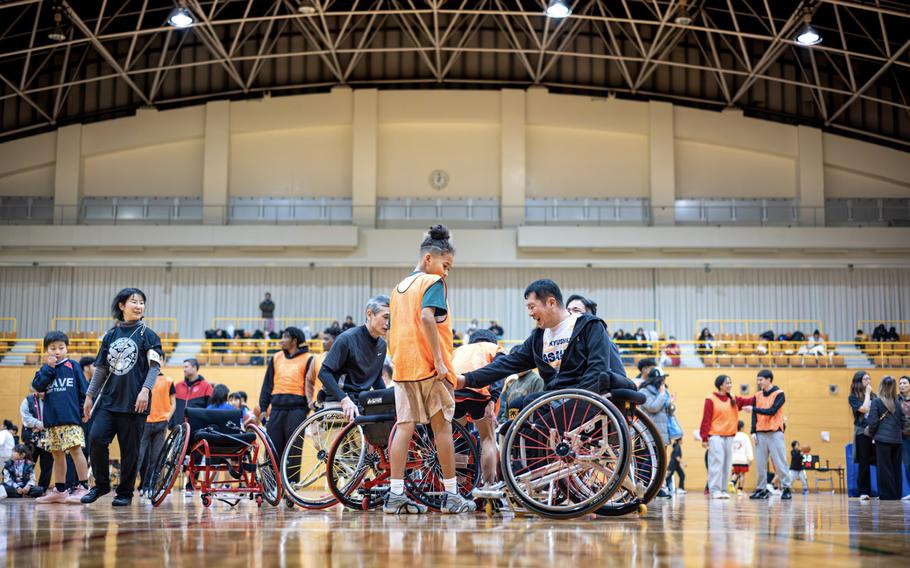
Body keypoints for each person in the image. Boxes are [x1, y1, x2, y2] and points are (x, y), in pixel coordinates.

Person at [387, 225, 475, 515]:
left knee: (404, 428)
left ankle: (395, 495)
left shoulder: (398, 288)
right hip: (429, 368)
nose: (446, 272)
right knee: (442, 429)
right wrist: (439, 360)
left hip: (403, 367)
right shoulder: (432, 283)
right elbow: (427, 318)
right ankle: (451, 495)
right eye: (445, 265)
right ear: (429, 259)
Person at [457, 278, 633, 409]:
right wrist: (466, 380)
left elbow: (598, 368)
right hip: (554, 398)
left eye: (532, 306)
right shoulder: (539, 338)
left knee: (538, 407)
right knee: (516, 406)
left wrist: (577, 399)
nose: (530, 313)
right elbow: (506, 364)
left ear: (551, 302)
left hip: (584, 396)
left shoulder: (589, 325)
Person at [82, 287, 164, 506]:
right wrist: (90, 396)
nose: (139, 306)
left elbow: (155, 367)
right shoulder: (110, 335)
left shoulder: (149, 334)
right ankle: (100, 485)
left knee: (130, 451)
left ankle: (125, 492)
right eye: (134, 302)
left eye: (142, 302)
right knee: (96, 439)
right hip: (108, 401)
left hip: (135, 403)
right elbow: (100, 369)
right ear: (121, 306)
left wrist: (145, 390)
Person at [31, 331, 91, 504]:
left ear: (67, 348)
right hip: (52, 421)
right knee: (57, 455)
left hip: (71, 418)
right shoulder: (44, 369)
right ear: (46, 350)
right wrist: (49, 368)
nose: (57, 351)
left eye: (61, 347)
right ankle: (60, 490)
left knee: (75, 450)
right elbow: (37, 386)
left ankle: (82, 487)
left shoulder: (73, 366)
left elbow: (83, 390)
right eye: (52, 348)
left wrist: (84, 411)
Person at [312, 296, 390, 419]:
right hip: (339, 401)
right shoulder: (347, 338)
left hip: (362, 402)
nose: (388, 323)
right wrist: (344, 399)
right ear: (369, 314)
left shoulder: (382, 345)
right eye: (385, 317)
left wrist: (388, 401)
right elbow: (324, 373)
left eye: (391, 318)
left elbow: (376, 380)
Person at [256, 326, 314, 477]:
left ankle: (291, 488)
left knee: (294, 450)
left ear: (294, 340)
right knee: (272, 449)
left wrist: (307, 409)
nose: (281, 340)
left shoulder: (308, 358)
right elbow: (267, 385)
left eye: (285, 337)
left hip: (297, 410)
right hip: (276, 409)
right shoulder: (276, 357)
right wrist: (263, 408)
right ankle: (271, 487)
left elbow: (311, 384)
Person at [451, 329, 505, 485]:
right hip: (478, 392)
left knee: (460, 437)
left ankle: (460, 485)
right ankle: (488, 485)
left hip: (454, 392)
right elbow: (498, 374)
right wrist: (493, 399)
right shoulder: (495, 349)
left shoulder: (459, 350)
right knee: (487, 437)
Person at [699, 374, 753, 499]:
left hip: (729, 436)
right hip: (715, 436)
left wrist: (760, 396)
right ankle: (715, 490)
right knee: (716, 463)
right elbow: (706, 419)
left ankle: (723, 490)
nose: (730, 385)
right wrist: (704, 438)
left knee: (727, 464)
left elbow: (746, 401)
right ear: (720, 385)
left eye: (730, 382)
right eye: (727, 383)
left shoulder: (732, 398)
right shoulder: (710, 399)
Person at [748, 369, 792, 500]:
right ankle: (761, 489)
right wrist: (753, 431)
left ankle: (787, 488)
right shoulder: (757, 395)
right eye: (758, 379)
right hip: (761, 433)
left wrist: (754, 409)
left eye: (761, 379)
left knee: (780, 462)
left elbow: (772, 411)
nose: (759, 382)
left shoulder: (780, 394)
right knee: (760, 463)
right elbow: (754, 415)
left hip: (775, 433)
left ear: (769, 380)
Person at [865, 376, 905, 500]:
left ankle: (887, 495)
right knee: (896, 468)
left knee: (884, 468)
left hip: (882, 440)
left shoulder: (877, 402)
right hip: (897, 440)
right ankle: (897, 494)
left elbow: (872, 422)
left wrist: (872, 434)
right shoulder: (898, 402)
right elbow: (903, 421)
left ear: (881, 386)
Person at [137, 368, 175, 500]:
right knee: (139, 457)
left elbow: (173, 403)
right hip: (144, 422)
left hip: (161, 423)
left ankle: (149, 487)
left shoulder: (168, 381)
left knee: (155, 458)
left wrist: (167, 419)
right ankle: (132, 488)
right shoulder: (143, 378)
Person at [641, 368, 674, 497]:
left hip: (663, 433)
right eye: (663, 379)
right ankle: (642, 486)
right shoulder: (644, 392)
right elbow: (653, 407)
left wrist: (671, 403)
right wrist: (662, 395)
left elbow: (667, 412)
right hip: (650, 433)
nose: (664, 381)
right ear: (657, 379)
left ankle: (656, 489)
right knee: (650, 461)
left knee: (660, 463)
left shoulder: (663, 393)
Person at [848, 371, 875, 500]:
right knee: (864, 462)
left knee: (874, 461)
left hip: (875, 432)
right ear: (859, 381)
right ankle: (863, 491)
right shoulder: (853, 397)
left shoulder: (874, 396)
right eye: (865, 379)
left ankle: (872, 491)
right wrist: (868, 394)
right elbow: (864, 409)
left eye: (869, 379)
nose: (868, 381)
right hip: (862, 432)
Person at [19, 391, 52, 491]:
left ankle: (42, 489)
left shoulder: (53, 399)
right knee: (28, 464)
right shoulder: (28, 400)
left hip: (49, 438)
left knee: (47, 465)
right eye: (40, 389)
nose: (42, 392)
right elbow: (26, 419)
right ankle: (24, 488)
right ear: (35, 389)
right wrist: (41, 424)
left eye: (45, 390)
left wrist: (42, 426)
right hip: (31, 439)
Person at [170, 359, 213, 429]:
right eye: (183, 367)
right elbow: (171, 405)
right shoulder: (177, 386)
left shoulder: (206, 386)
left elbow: (210, 408)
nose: (184, 369)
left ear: (194, 368)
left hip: (198, 429)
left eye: (186, 367)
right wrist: (171, 424)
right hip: (179, 428)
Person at [308, 328, 341, 410]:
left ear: (336, 340)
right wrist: (310, 401)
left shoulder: (345, 359)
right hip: (319, 406)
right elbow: (309, 380)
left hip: (339, 405)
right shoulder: (317, 358)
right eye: (323, 339)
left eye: (326, 339)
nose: (323, 342)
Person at [731, 420, 753, 493]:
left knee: (736, 473)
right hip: (743, 459)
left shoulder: (732, 436)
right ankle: (740, 490)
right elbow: (748, 448)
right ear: (742, 428)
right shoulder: (745, 436)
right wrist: (750, 458)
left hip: (734, 459)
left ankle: (732, 482)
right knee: (742, 474)